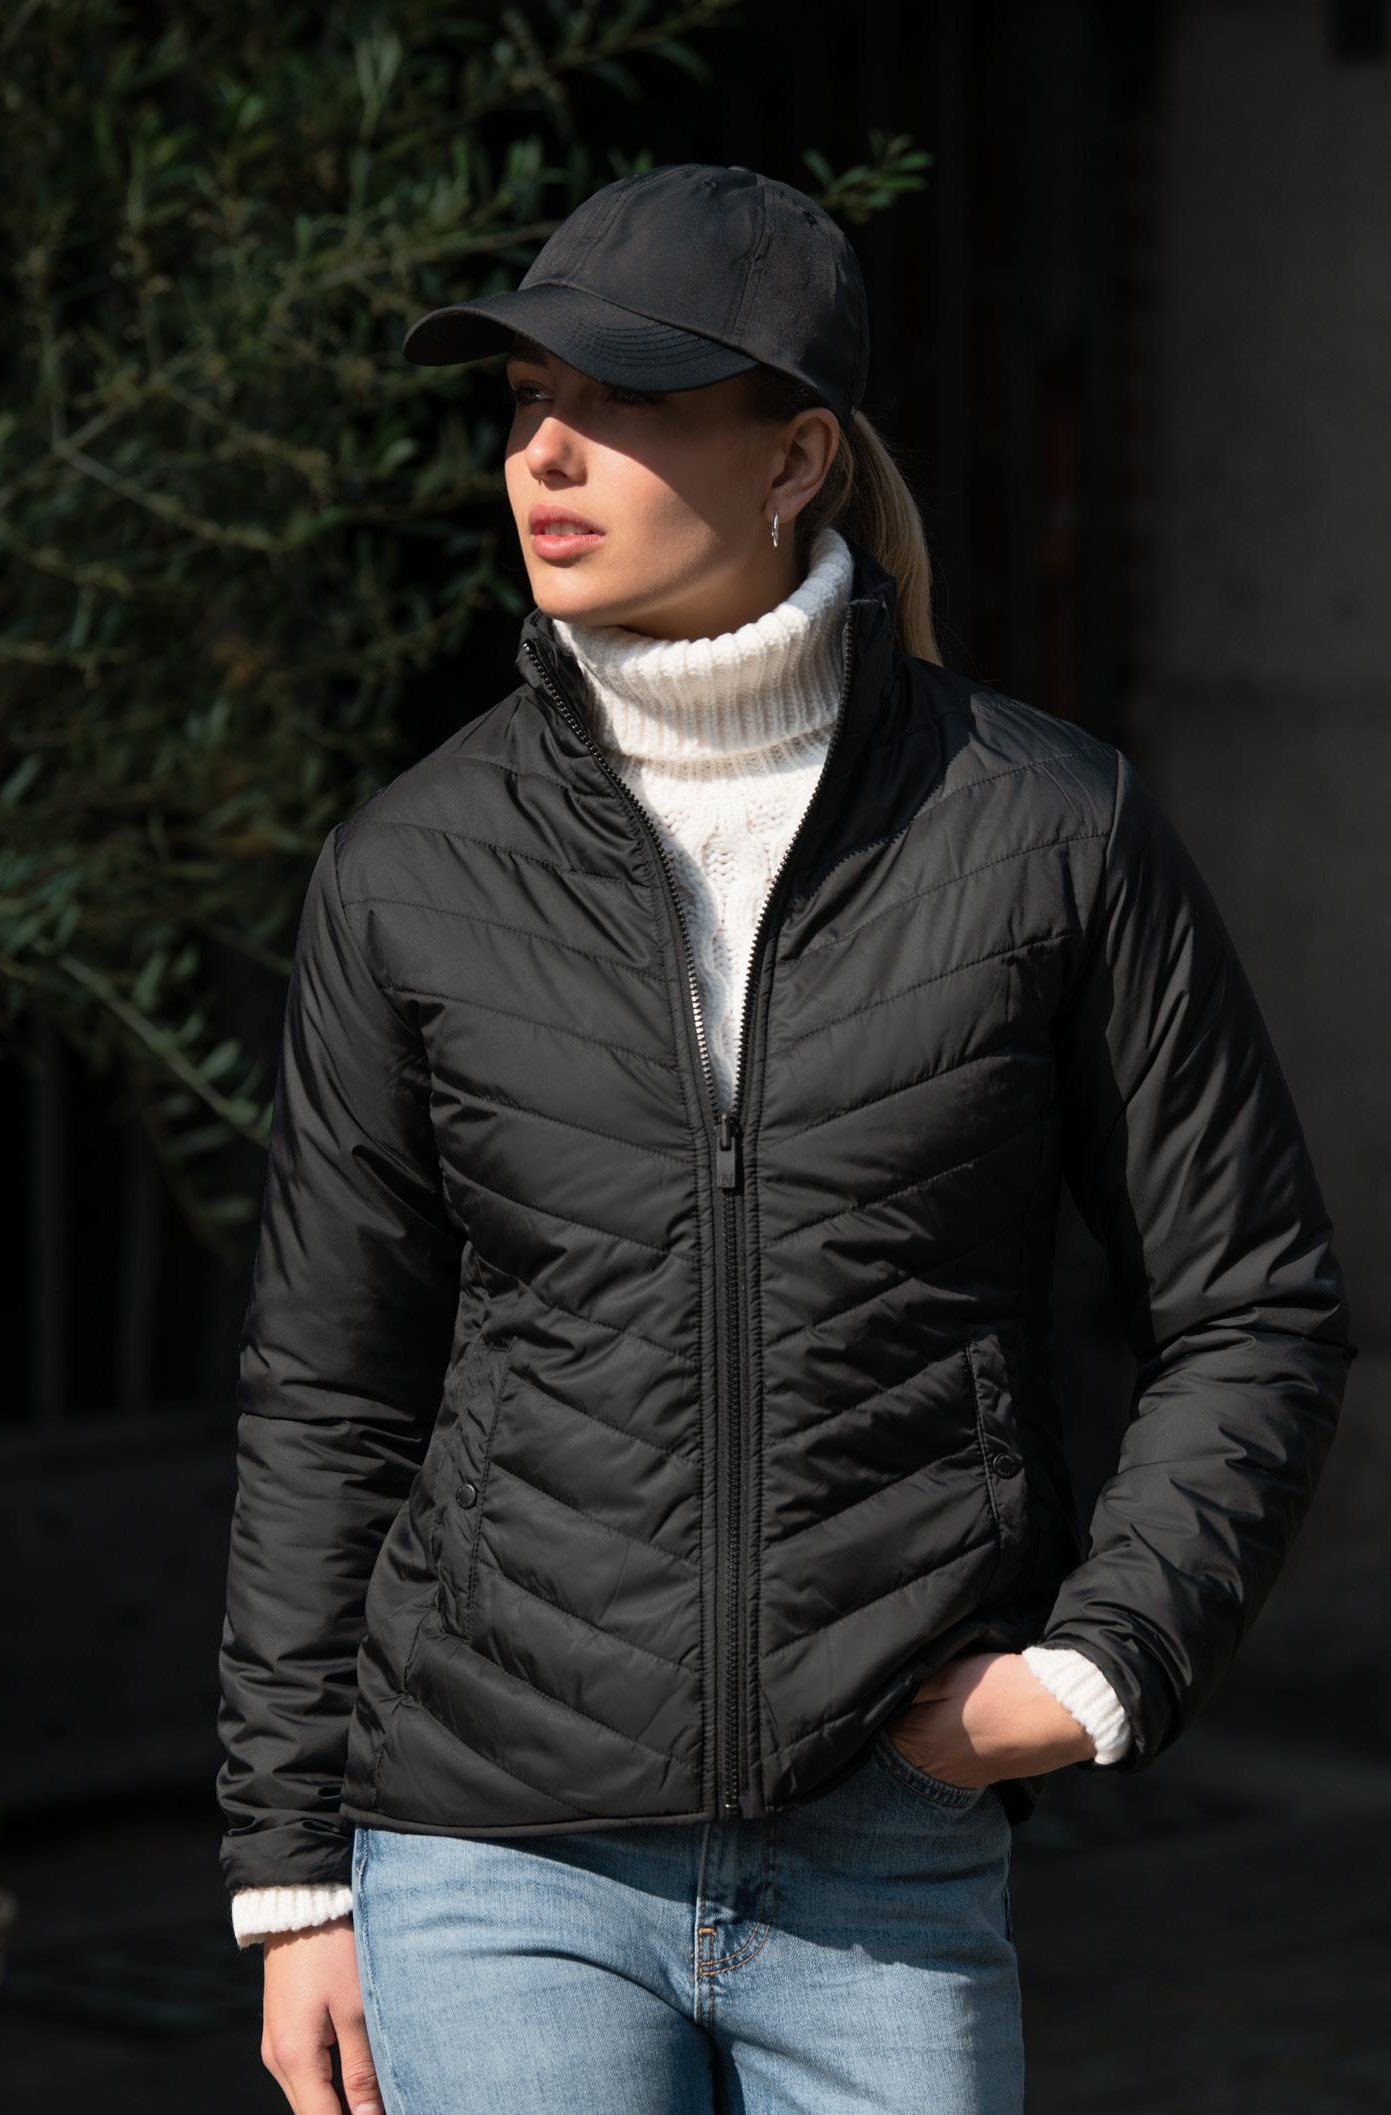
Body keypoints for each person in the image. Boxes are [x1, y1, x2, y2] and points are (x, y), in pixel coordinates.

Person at [215, 163, 1356, 2115]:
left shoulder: (1045, 831)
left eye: (625, 399)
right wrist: (293, 1873)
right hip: (494, 1853)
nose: (545, 452)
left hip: (884, 1852)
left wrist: (1090, 1670)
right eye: (525, 403)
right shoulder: (412, 869)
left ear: (798, 456)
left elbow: (1254, 1302)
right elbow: (331, 1385)